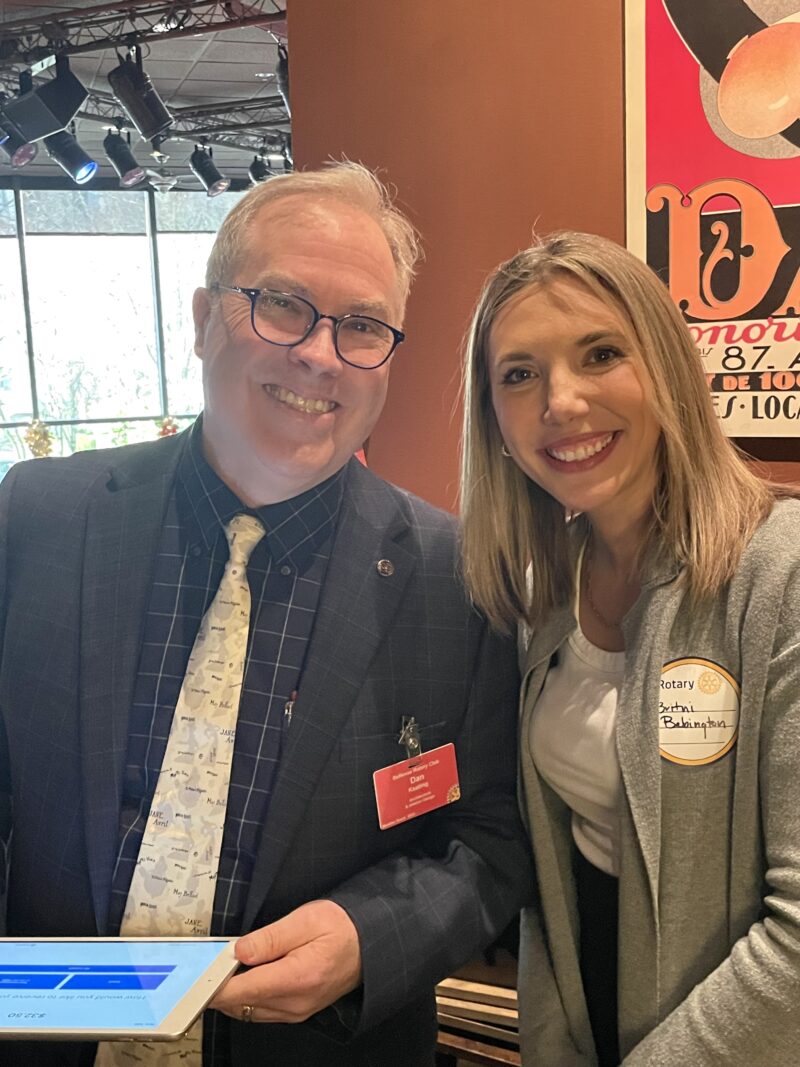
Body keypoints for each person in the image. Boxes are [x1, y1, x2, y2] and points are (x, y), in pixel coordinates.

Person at [0, 162, 532, 1067]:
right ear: (206, 319)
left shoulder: (457, 575)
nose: (321, 354)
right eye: (283, 303)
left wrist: (372, 934)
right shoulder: (39, 517)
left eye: (361, 324)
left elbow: (491, 834)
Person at [459, 230, 800, 1066]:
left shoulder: (780, 576)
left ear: (669, 370)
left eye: (601, 353)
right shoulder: (542, 593)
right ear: (494, 418)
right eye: (520, 374)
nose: (561, 402)